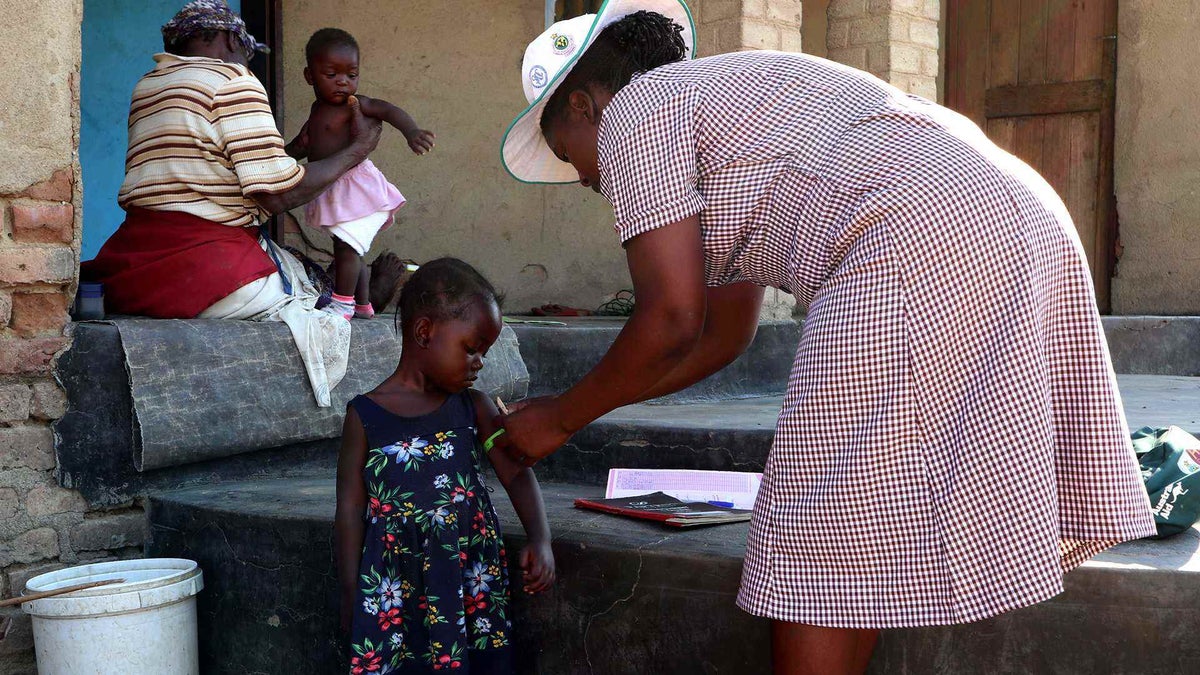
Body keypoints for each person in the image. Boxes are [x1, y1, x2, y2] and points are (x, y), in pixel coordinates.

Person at [497, 2, 1155, 673]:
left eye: (566, 153)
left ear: (583, 105)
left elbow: (670, 319)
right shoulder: (726, 105)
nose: (582, 176)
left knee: (813, 534)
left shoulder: (637, 109)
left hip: (914, 232)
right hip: (1017, 210)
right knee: (850, 527)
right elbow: (720, 336)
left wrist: (560, 417)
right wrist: (569, 410)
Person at [81, 0, 390, 406]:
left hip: (135, 271)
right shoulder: (234, 81)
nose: (247, 59)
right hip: (212, 273)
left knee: (296, 263)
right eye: (245, 48)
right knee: (316, 290)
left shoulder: (148, 86)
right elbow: (276, 194)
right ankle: (364, 300)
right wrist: (357, 150)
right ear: (229, 39)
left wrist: (291, 151)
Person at [335, 258, 555, 674]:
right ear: (424, 332)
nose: (479, 363)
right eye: (471, 348)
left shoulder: (474, 408)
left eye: (484, 352)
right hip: (395, 590)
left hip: (466, 582)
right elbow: (348, 510)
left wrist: (540, 538)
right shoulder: (365, 417)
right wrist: (351, 592)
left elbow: (516, 472)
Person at [296, 28, 436, 320]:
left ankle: (343, 302)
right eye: (331, 74)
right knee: (348, 248)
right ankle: (363, 304)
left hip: (355, 186)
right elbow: (303, 143)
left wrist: (411, 131)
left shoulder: (356, 104)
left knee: (348, 247)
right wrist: (276, 158)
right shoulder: (316, 108)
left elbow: (388, 109)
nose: (343, 82)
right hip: (332, 186)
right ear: (310, 76)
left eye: (351, 74)